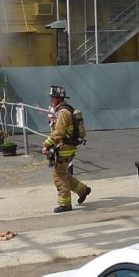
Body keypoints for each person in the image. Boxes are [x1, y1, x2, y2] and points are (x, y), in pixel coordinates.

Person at [41, 85, 90, 213]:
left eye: (52, 98)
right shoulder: (65, 109)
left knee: (58, 175)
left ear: (58, 98)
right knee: (63, 173)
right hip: (68, 147)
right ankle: (83, 190)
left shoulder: (63, 112)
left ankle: (65, 204)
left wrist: (46, 144)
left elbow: (59, 133)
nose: (51, 100)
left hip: (64, 147)